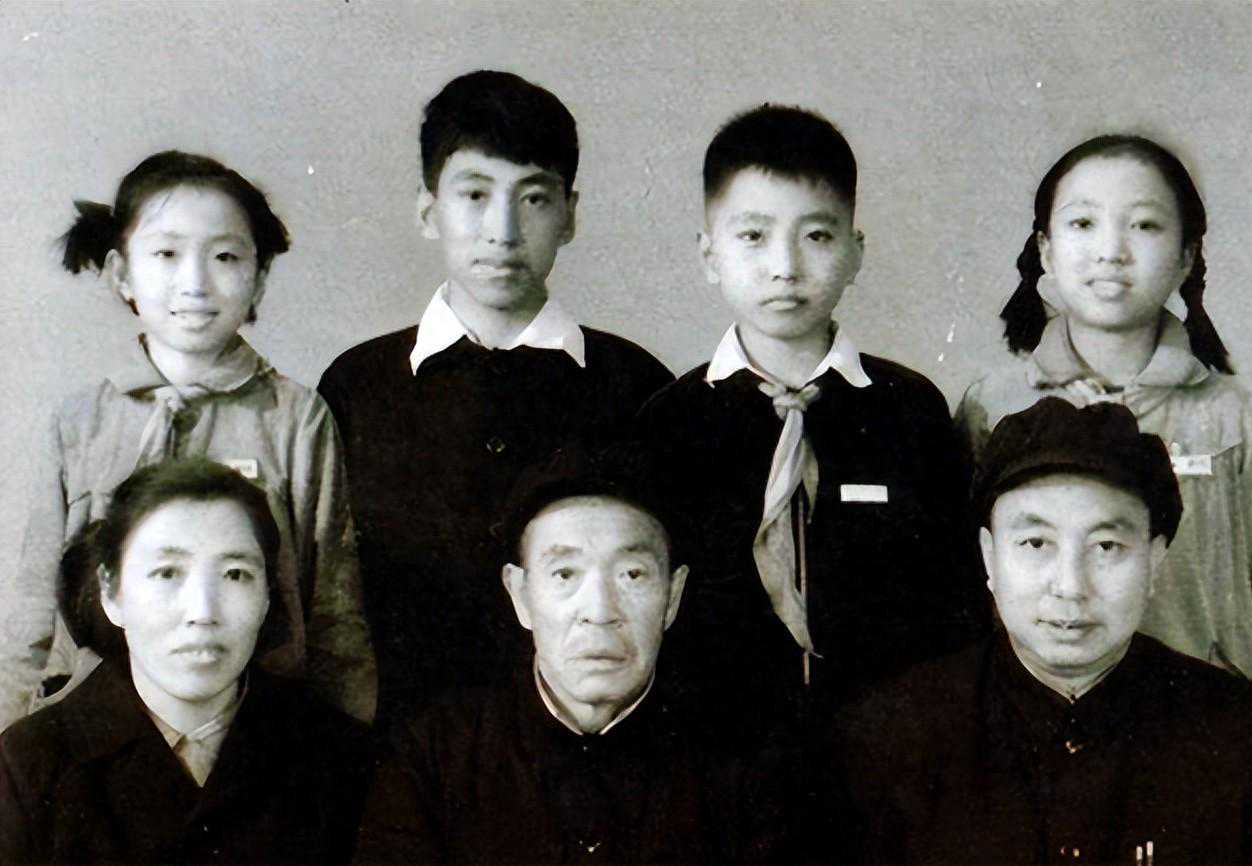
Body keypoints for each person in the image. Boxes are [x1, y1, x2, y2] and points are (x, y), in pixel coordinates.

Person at [955, 134, 1252, 770]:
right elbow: (966, 585)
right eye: (1083, 223)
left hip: (1202, 730)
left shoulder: (1227, 412)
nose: (1111, 251)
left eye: (1145, 225)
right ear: (1045, 249)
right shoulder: (993, 403)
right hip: (1036, 730)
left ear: (1186, 257)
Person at [317, 70, 672, 726]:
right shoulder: (356, 385)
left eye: (533, 198)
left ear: (570, 214)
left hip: (590, 745)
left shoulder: (637, 384)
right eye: (475, 195)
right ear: (429, 211)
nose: (503, 231)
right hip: (393, 749)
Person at [829, 398, 1252, 865]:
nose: (1070, 587)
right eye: (1035, 543)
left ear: (1155, 561)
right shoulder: (889, 739)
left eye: (1106, 547)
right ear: (989, 557)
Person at [637, 104, 988, 733]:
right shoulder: (671, 420)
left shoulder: (909, 408)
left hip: (891, 743)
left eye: (817, 236)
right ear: (709, 254)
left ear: (855, 252)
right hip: (717, 746)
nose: (785, 267)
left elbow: (954, 596)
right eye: (753, 236)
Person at [1, 151, 375, 731]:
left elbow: (333, 610)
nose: (195, 283)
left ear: (259, 276)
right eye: (167, 255)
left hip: (257, 726)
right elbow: (33, 613)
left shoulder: (296, 419)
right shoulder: (80, 422)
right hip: (94, 727)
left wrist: (348, 746)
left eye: (225, 257)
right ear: (121, 273)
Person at [354, 448, 789, 864]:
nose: (599, 612)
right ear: (520, 595)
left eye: (632, 574)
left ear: (672, 597)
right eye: (565, 574)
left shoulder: (751, 765)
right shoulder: (432, 758)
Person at [0, 459, 371, 865]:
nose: (203, 612)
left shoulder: (343, 757)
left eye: (235, 574)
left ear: (267, 594)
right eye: (167, 573)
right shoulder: (28, 765)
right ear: (111, 592)